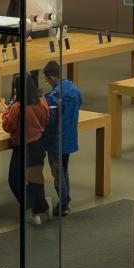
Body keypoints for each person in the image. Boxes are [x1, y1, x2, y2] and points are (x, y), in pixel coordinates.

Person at [3, 73, 51, 224]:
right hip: (38, 144)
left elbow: (8, 126)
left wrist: (6, 111)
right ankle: (41, 208)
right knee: (36, 178)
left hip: (22, 148)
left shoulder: (17, 107)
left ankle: (32, 205)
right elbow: (46, 119)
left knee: (14, 179)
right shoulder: (41, 101)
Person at [41, 60, 82, 217]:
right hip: (70, 137)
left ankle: (63, 204)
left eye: (47, 79)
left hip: (56, 139)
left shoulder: (53, 97)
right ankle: (67, 198)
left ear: (52, 77)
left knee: (58, 173)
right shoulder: (74, 89)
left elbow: (48, 118)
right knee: (64, 169)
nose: (47, 83)